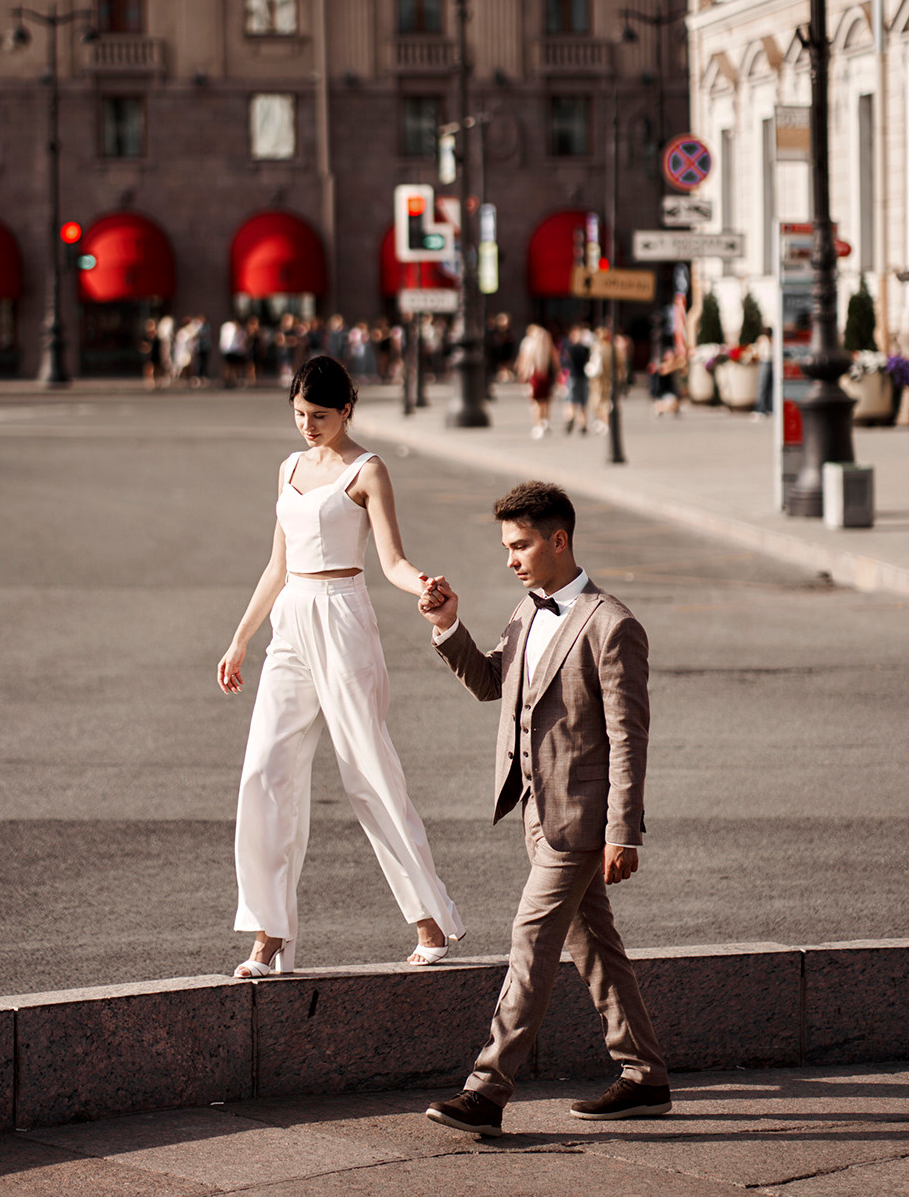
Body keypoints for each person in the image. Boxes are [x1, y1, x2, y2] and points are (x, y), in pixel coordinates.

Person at [418, 481, 670, 1136]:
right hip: (535, 808)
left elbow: (627, 736)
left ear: (560, 539)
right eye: (506, 545)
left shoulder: (612, 624)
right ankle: (644, 1076)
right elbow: (490, 683)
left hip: (581, 821)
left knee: (532, 939)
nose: (511, 558)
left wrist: (623, 831)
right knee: (595, 946)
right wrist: (447, 624)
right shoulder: (527, 612)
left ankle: (487, 1089)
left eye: (521, 544)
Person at [217, 355, 465, 979]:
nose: (307, 426)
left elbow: (391, 560)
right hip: (291, 623)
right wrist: (240, 639)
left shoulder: (367, 470)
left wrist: (423, 587)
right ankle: (268, 935)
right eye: (299, 414)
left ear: (347, 409)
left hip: (344, 616)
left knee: (368, 771)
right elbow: (277, 565)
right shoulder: (290, 467)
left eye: (319, 416)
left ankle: (430, 920)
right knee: (264, 772)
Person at [514, 324, 558, 439]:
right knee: (546, 401)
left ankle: (538, 424)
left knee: (536, 402)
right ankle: (545, 421)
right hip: (547, 376)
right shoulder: (549, 345)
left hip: (535, 376)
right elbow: (556, 361)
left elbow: (525, 360)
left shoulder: (530, 344)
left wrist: (521, 374)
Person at [562, 324, 590, 434]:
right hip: (582, 376)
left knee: (571, 400)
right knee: (582, 401)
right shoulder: (585, 349)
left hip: (573, 376)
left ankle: (571, 418)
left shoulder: (570, 348)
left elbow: (566, 361)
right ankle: (582, 423)